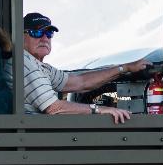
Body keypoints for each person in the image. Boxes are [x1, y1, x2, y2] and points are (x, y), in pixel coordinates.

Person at [10, 12, 149, 123]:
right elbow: (54, 108)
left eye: (49, 33)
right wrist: (100, 109)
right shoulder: (23, 62)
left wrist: (125, 68)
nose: (44, 38)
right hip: (26, 138)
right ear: (21, 36)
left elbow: (80, 82)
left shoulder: (40, 66)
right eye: (37, 33)